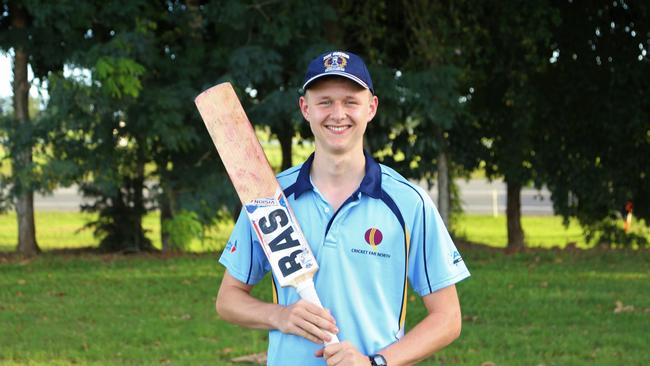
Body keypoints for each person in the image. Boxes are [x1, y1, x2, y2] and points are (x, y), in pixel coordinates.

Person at [216, 50, 470, 366]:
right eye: (325, 101)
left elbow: (448, 318)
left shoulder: (408, 203)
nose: (338, 114)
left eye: (350, 101)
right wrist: (280, 315)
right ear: (305, 108)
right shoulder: (268, 197)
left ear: (371, 108)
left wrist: (375, 362)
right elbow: (227, 299)